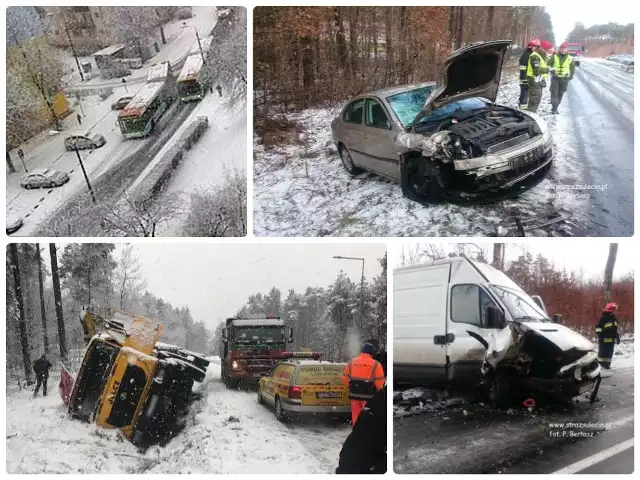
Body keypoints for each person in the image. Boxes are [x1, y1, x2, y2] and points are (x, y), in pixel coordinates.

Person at [335, 385, 386, 474]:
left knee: (357, 416)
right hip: (368, 395)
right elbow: (379, 380)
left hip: (356, 394)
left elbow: (346, 378)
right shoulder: (382, 400)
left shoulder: (378, 401)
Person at [342, 342, 385, 426]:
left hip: (354, 395)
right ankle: (366, 435)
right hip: (369, 396)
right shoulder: (376, 364)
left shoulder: (351, 362)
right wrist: (378, 393)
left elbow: (344, 378)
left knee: (356, 416)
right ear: (371, 353)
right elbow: (380, 382)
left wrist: (350, 387)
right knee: (367, 416)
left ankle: (356, 433)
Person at [526, 39, 553, 113]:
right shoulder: (535, 56)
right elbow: (536, 71)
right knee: (534, 102)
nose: (547, 52)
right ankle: (530, 117)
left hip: (538, 81)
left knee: (535, 101)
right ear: (542, 48)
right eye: (547, 50)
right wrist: (548, 69)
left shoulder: (541, 56)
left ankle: (531, 114)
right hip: (535, 81)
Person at [549, 43, 576, 114]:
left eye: (564, 49)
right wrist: (551, 69)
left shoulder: (570, 58)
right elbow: (548, 64)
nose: (563, 50)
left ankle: (556, 107)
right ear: (559, 49)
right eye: (561, 49)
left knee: (560, 93)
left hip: (564, 79)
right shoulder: (554, 57)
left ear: (566, 50)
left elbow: (572, 68)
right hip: (555, 78)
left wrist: (570, 77)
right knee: (554, 93)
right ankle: (554, 109)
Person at [595, 303, 620, 369]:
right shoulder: (604, 318)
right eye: (614, 310)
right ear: (610, 310)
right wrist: (605, 329)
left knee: (609, 355)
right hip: (604, 341)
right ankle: (601, 366)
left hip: (611, 342)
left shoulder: (614, 319)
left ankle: (607, 365)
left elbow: (614, 330)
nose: (616, 311)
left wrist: (617, 336)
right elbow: (597, 329)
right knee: (602, 356)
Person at [518, 39, 536, 109]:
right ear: (530, 46)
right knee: (524, 94)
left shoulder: (530, 54)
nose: (535, 48)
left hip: (526, 78)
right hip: (524, 79)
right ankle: (523, 109)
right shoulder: (526, 55)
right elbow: (523, 68)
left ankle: (523, 106)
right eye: (534, 46)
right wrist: (525, 79)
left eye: (535, 47)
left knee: (525, 94)